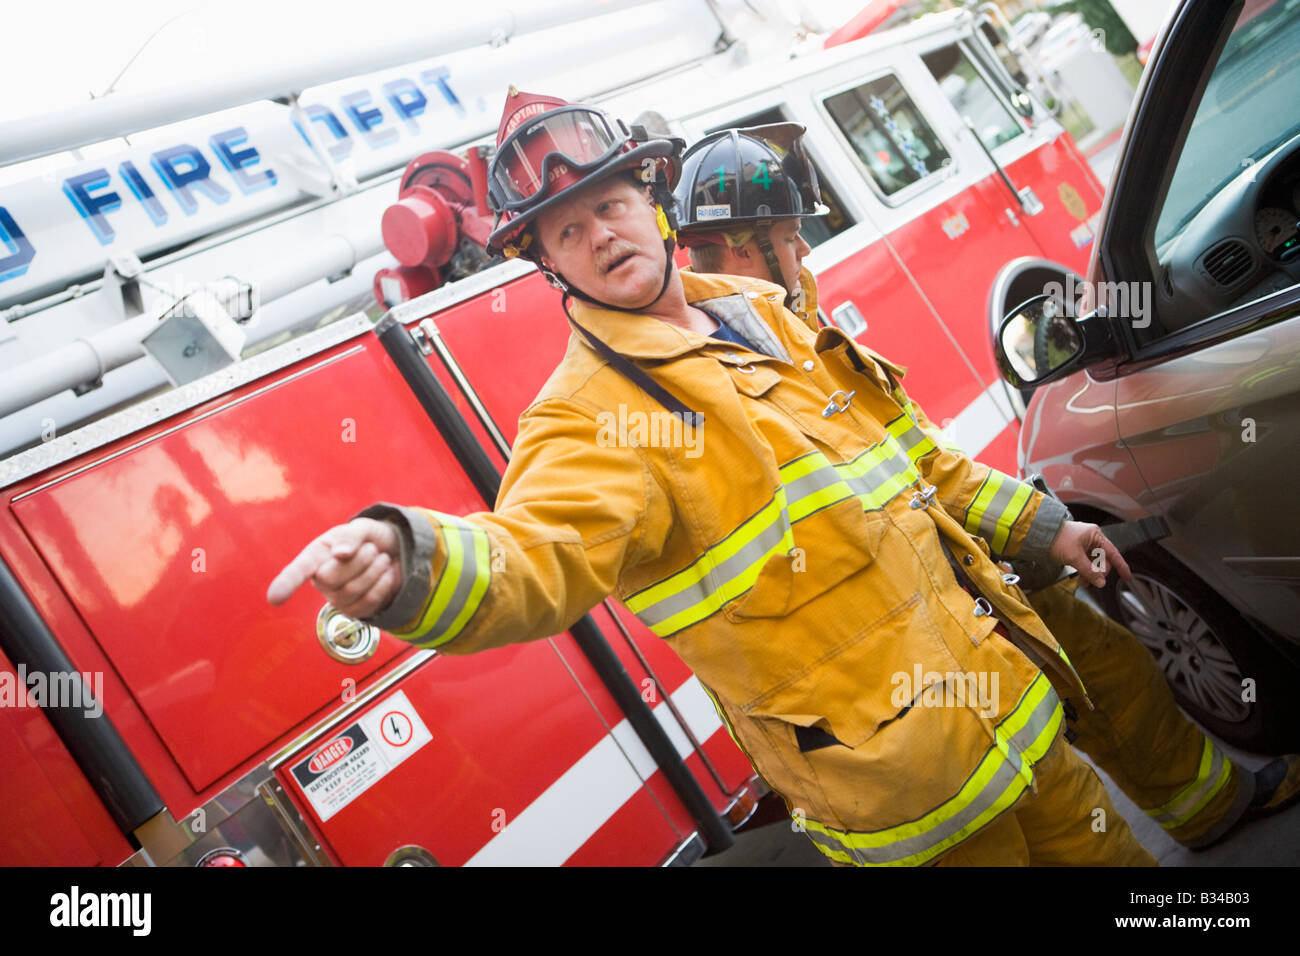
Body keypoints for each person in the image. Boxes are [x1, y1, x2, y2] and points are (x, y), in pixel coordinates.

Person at [269, 88, 1161, 866]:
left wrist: (1052, 530)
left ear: (655, 201)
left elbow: (916, 461)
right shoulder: (586, 417)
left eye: (609, 205)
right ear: (549, 267)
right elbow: (534, 553)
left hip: (1014, 719)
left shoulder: (763, 314)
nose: (599, 236)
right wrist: (409, 560)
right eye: (568, 232)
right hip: (911, 800)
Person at [673, 122, 1300, 853]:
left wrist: (1045, 531)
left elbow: (924, 460)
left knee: (1110, 670)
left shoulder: (792, 330)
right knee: (1054, 789)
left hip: (970, 573)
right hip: (917, 636)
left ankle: (1211, 807)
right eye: (790, 232)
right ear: (748, 244)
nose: (806, 249)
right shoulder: (717, 371)